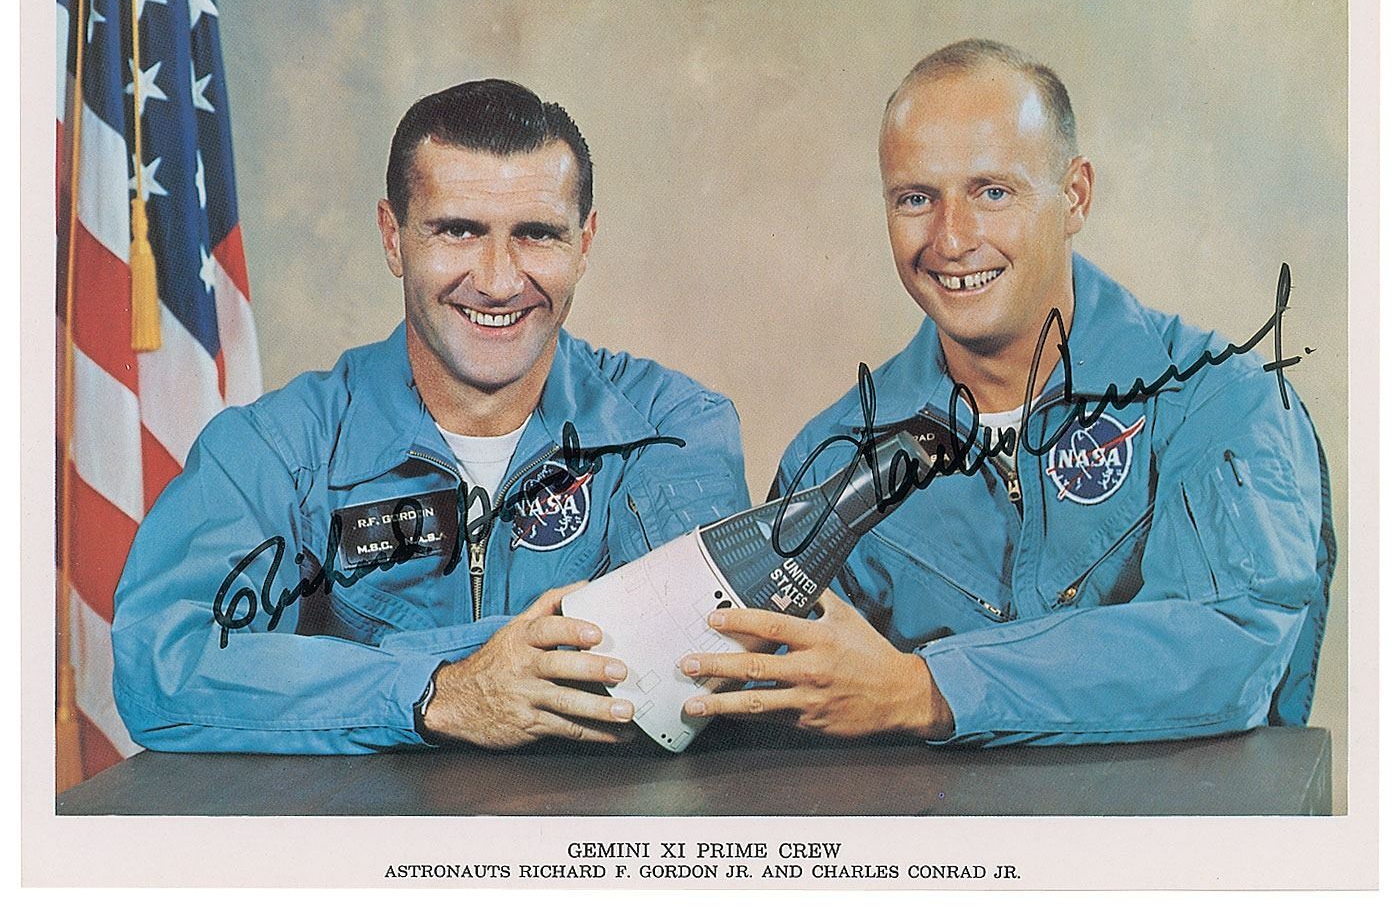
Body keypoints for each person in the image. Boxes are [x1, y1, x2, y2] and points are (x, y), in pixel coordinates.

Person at [680, 39, 1334, 745]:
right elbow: (784, 716)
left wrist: (929, 690)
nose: (952, 239)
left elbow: (1230, 647)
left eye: (992, 192)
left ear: (1075, 196)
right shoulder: (835, 459)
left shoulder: (1220, 400)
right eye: (916, 199)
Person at [112, 79, 749, 753]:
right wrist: (437, 690)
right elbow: (162, 666)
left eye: (537, 235)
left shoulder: (673, 427)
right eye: (458, 231)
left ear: (584, 244)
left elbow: (686, 662)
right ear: (393, 238)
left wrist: (360, 669)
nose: (499, 281)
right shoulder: (275, 450)